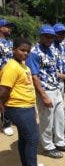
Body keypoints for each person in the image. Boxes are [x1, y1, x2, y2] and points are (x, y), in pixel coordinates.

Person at [26, 25, 65, 158]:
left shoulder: (51, 51)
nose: (49, 39)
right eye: (46, 36)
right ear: (40, 36)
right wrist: (43, 96)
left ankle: (59, 142)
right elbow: (34, 76)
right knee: (46, 121)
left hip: (56, 88)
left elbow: (53, 72)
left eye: (52, 37)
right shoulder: (35, 52)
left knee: (59, 118)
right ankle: (47, 146)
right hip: (45, 91)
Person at [0, 37, 40, 166]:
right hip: (18, 108)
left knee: (24, 138)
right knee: (32, 139)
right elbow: (3, 90)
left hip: (26, 107)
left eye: (28, 51)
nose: (26, 53)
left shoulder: (22, 65)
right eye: (22, 50)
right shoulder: (11, 67)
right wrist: (1, 105)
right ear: (13, 50)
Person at [0, 19, 15, 136]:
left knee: (7, 98)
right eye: (7, 26)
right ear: (1, 28)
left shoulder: (10, 43)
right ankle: (5, 123)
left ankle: (6, 122)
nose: (10, 28)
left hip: (10, 75)